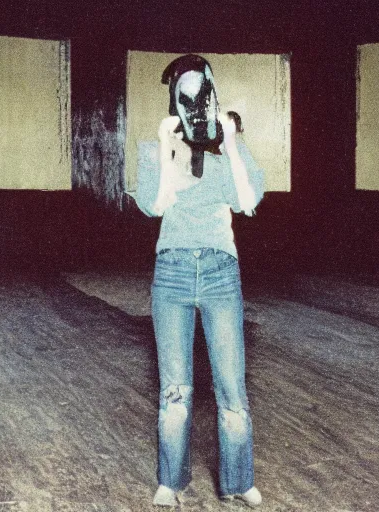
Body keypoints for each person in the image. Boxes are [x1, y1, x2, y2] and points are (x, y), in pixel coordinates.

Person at [133, 54, 265, 508]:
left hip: (219, 273)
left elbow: (247, 201)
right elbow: (155, 204)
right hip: (170, 274)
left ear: (212, 92)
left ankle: (239, 479)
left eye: (200, 91)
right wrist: (165, 146)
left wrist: (229, 143)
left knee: (231, 390)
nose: (194, 102)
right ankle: (170, 481)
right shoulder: (155, 150)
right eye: (183, 95)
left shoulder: (229, 149)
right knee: (176, 391)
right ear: (174, 99)